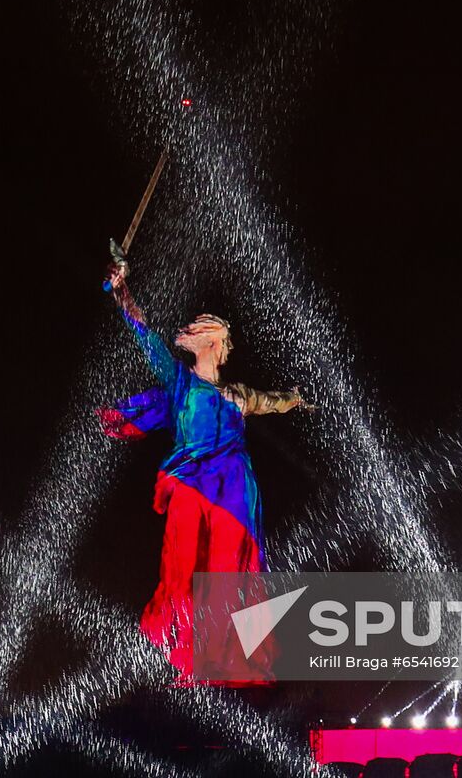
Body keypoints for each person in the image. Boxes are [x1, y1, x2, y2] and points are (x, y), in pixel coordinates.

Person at [99, 258, 308, 677]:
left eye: (200, 325)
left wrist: (297, 398)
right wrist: (122, 290)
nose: (189, 328)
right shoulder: (179, 381)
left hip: (232, 486)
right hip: (191, 482)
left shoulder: (237, 394)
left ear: (216, 340)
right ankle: (187, 653)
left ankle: (226, 656)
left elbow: (273, 400)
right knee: (183, 566)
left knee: (229, 570)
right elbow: (146, 337)